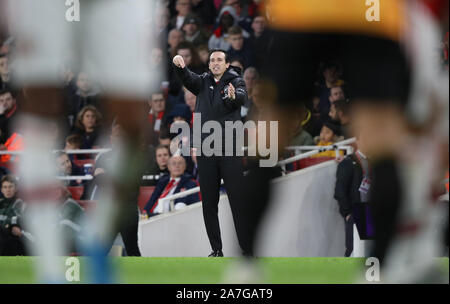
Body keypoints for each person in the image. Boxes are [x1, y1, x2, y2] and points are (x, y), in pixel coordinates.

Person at [172, 49, 249, 257]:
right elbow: (188, 78)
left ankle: (247, 250)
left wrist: (234, 96)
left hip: (229, 148)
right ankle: (216, 249)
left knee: (238, 201)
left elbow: (241, 96)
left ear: (227, 64)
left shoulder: (236, 80)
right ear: (209, 65)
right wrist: (181, 67)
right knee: (209, 202)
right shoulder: (202, 82)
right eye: (212, 60)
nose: (215, 63)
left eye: (219, 60)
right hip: (206, 149)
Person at [334, 136, 372, 257]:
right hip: (356, 212)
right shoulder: (348, 162)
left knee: (366, 250)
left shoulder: (372, 161)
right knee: (353, 249)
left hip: (368, 211)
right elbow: (340, 191)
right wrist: (347, 213)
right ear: (358, 141)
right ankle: (346, 275)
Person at [0, 175, 26, 256]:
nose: (8, 190)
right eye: (5, 187)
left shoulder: (21, 204)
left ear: (16, 188)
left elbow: (15, 223)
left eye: (10, 187)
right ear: (1, 190)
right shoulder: (0, 203)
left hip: (13, 242)